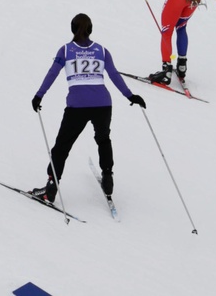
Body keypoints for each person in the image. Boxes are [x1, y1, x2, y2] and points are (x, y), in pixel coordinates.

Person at [29, 13, 145, 205]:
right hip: (103, 104)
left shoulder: (65, 51)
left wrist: (39, 95)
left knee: (61, 148)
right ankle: (108, 179)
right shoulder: (102, 50)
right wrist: (130, 96)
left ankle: (51, 189)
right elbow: (114, 75)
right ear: (90, 30)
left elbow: (52, 73)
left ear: (72, 29)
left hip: (78, 105)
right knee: (103, 139)